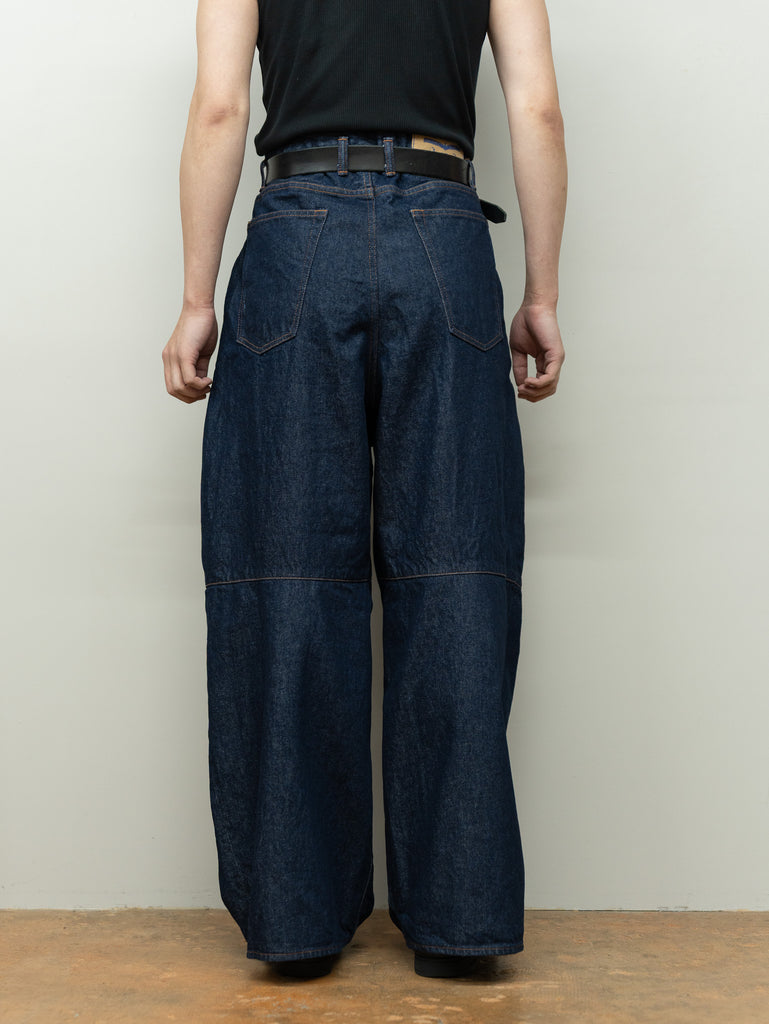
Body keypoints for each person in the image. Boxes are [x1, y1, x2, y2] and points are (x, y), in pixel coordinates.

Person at [162, 0, 566, 982]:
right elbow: (536, 108)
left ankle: (296, 920)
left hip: (297, 235)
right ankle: (460, 921)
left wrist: (196, 298)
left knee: (288, 576)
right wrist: (541, 293)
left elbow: (220, 109)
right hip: (444, 235)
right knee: (458, 576)